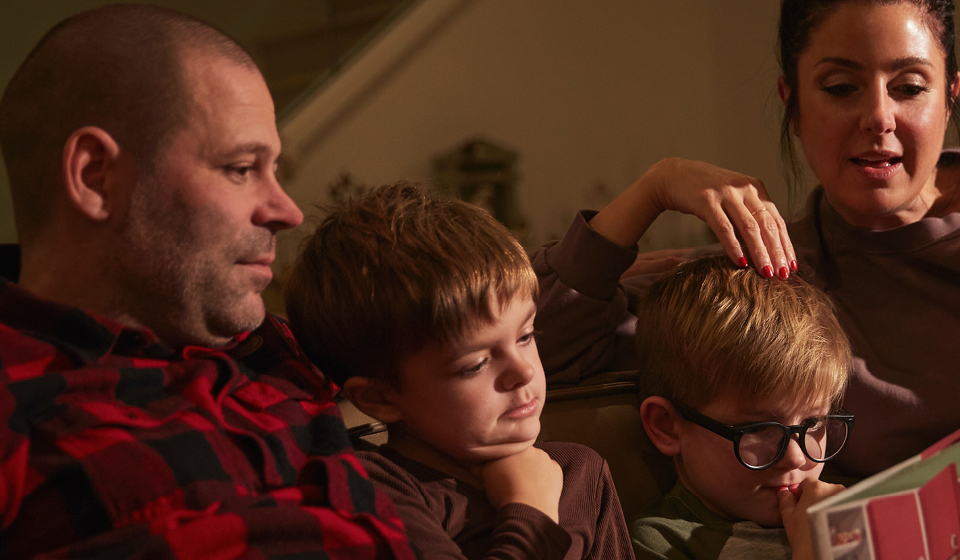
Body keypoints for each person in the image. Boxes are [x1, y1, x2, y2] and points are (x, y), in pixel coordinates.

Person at [0, 5, 414, 558]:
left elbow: (478, 330)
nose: (288, 210)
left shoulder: (273, 345)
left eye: (276, 170)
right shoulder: (19, 392)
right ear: (95, 176)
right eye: (242, 168)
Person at [534, 0, 960, 480]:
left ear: (950, 97)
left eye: (909, 88)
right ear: (792, 105)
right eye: (841, 88)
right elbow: (529, 346)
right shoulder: (768, 277)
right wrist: (655, 187)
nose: (879, 118)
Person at [284, 182, 636, 560]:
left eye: (526, 335)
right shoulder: (377, 493)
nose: (523, 370)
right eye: (476, 364)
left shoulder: (580, 472)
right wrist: (531, 511)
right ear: (380, 398)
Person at [628, 257, 853, 560]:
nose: (795, 457)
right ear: (667, 425)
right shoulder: (658, 543)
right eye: (758, 429)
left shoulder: (848, 507)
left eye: (813, 422)